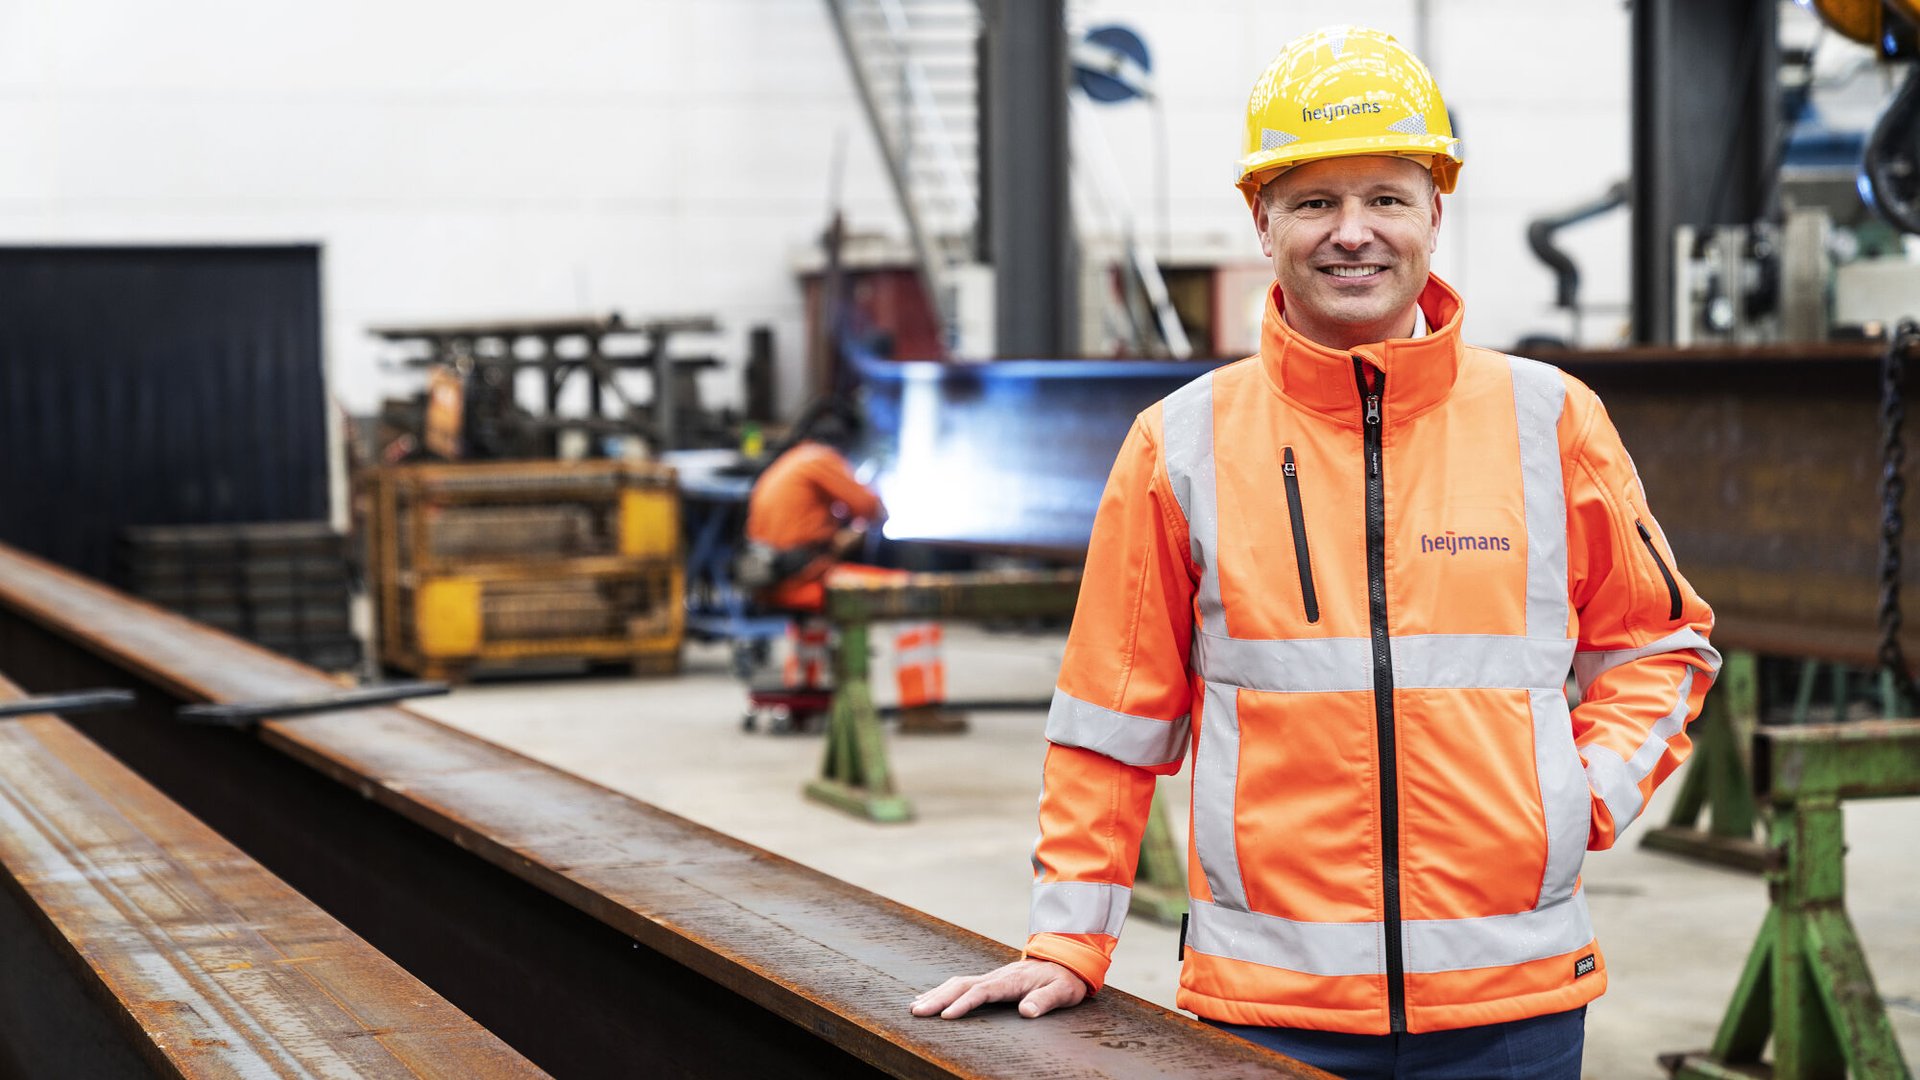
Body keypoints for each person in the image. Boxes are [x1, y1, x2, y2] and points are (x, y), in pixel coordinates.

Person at [910, 25, 1718, 1080]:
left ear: (1436, 210)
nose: (1354, 234)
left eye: (1386, 198)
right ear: (1261, 219)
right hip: (1266, 1012)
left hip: (1512, 1009)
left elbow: (1663, 645)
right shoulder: (1181, 443)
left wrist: (1576, 798)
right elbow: (1112, 719)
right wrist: (1070, 935)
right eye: (1314, 202)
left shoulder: (1550, 419)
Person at [744, 415, 947, 716]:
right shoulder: (821, 459)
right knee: (913, 599)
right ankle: (922, 709)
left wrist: (840, 533)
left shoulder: (789, 462)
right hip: (806, 580)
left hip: (773, 581)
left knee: (818, 618)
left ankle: (805, 699)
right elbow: (870, 508)